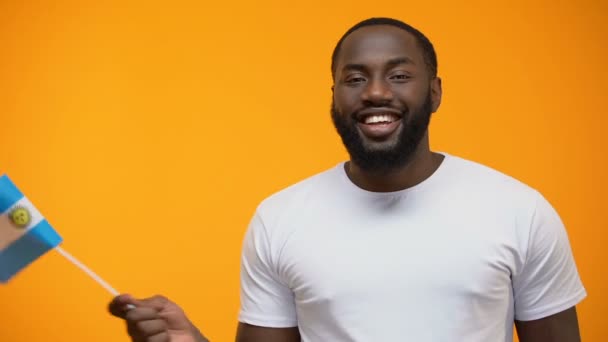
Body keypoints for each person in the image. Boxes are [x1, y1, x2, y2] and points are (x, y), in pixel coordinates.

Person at [109, 17, 586, 342]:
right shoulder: (280, 219)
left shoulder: (519, 210)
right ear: (334, 96)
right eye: (355, 79)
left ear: (435, 92)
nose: (376, 92)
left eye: (399, 76)